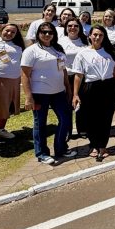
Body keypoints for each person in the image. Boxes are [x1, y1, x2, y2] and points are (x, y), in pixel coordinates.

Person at [20, 21, 75, 165]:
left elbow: (63, 70)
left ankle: (61, 148)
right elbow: (25, 75)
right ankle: (42, 153)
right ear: (38, 34)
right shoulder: (31, 51)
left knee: (65, 119)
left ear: (54, 35)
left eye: (50, 32)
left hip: (58, 92)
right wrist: (28, 97)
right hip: (39, 94)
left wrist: (68, 89)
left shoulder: (58, 49)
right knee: (40, 124)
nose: (46, 35)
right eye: (43, 32)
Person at [72, 25, 115, 162]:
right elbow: (78, 75)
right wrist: (75, 94)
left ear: (104, 37)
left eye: (100, 35)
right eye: (95, 35)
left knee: (106, 117)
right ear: (90, 36)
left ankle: (103, 146)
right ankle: (94, 144)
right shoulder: (82, 53)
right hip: (90, 87)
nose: (97, 37)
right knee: (91, 118)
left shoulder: (109, 52)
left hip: (108, 86)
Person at [0, 24, 24, 145]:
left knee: (9, 106)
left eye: (13, 32)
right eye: (7, 31)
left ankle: (1, 130)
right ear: (1, 30)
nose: (9, 34)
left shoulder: (18, 46)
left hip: (14, 80)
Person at [59, 17, 89, 137]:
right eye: (70, 26)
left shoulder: (85, 41)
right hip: (65, 76)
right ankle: (67, 131)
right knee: (66, 105)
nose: (73, 28)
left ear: (80, 28)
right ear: (66, 28)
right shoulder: (61, 41)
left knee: (81, 103)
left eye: (76, 26)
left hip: (81, 77)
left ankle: (82, 129)